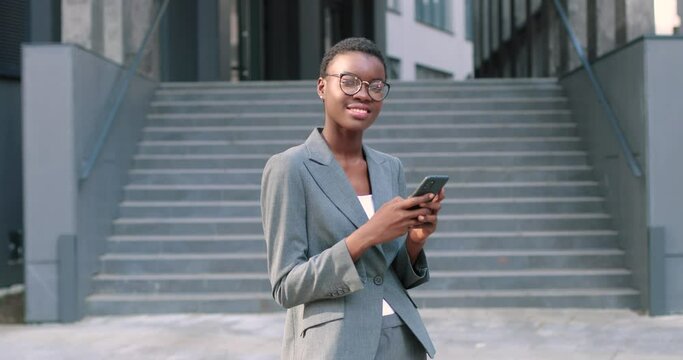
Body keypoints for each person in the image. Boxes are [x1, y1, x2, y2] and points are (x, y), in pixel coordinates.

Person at [260, 37, 444, 360]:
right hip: (334, 345)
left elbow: (387, 272)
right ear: (321, 87)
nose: (363, 93)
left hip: (401, 339)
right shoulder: (290, 168)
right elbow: (286, 286)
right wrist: (369, 234)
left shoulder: (390, 168)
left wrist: (414, 240)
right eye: (349, 82)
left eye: (376, 86)